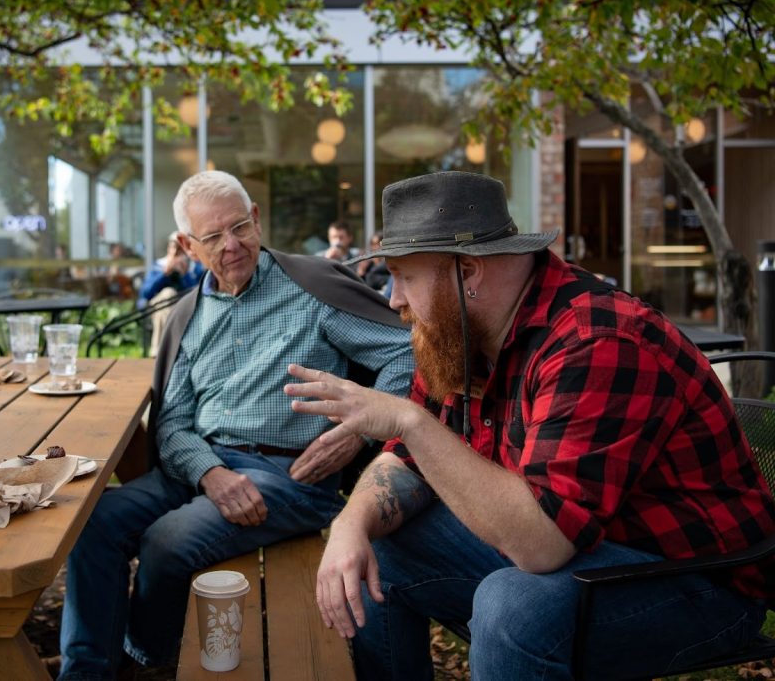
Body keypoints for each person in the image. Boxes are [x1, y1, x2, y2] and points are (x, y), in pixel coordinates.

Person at [284, 171, 775, 680]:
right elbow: (407, 461)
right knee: (375, 544)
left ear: (468, 271)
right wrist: (351, 523)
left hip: (697, 582)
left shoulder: (597, 340)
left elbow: (543, 545)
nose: (393, 299)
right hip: (582, 548)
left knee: (512, 606)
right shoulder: (459, 332)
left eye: (405, 276)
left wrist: (411, 423)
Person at [59, 170, 415, 680]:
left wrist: (360, 428)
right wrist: (209, 473)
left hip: (289, 476)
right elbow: (174, 423)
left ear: (256, 219)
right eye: (212, 237)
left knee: (165, 541)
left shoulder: (311, 289)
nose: (232, 245)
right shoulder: (189, 314)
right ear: (187, 244)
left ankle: (147, 661)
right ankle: (87, 672)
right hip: (200, 469)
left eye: (240, 227)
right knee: (93, 522)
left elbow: (405, 353)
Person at [138, 232, 206, 356]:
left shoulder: (193, 268)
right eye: (173, 246)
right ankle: (171, 351)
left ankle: (160, 353)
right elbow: (146, 292)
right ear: (168, 248)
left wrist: (185, 274)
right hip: (158, 306)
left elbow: (197, 293)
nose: (176, 251)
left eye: (180, 248)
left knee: (170, 301)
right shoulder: (159, 265)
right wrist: (165, 273)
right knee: (168, 294)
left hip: (184, 307)